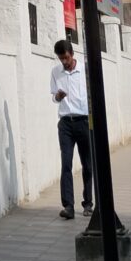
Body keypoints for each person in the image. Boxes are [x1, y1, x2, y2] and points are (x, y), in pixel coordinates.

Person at [51, 39, 93, 220]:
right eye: (61, 59)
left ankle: (88, 203)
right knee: (66, 164)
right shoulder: (55, 72)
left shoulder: (84, 69)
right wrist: (58, 96)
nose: (64, 62)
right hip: (66, 123)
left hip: (84, 121)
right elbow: (54, 97)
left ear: (72, 54)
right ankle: (68, 205)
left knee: (88, 164)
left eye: (66, 58)